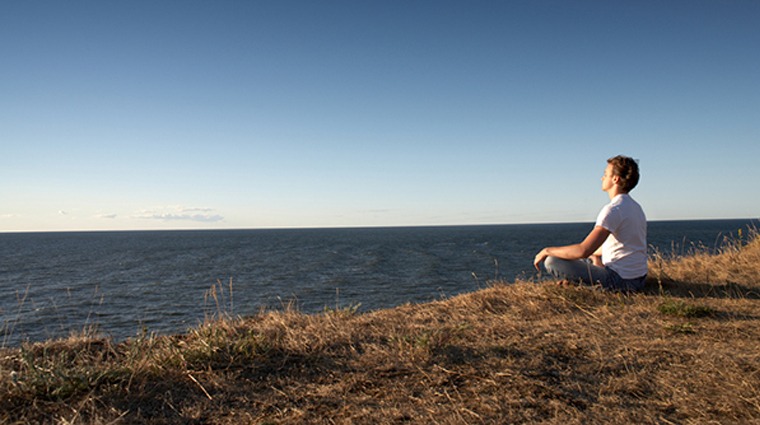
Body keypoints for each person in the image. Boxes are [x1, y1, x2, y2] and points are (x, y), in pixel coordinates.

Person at [533, 155, 647, 291]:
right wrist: (595, 256)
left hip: (619, 281)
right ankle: (586, 282)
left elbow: (583, 250)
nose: (602, 178)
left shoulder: (613, 210)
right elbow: (619, 246)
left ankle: (590, 287)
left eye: (605, 174)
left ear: (615, 179)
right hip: (639, 279)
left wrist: (547, 250)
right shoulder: (635, 207)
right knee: (588, 258)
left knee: (553, 260)